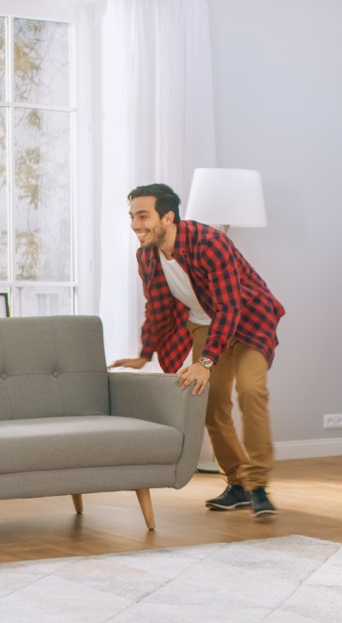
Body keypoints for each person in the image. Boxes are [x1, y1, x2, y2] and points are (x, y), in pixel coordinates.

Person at [110, 183, 285, 518]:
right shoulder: (147, 256)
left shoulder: (210, 243)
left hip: (249, 320)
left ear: (168, 217)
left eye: (143, 216)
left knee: (251, 391)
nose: (135, 225)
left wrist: (205, 361)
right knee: (209, 404)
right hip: (206, 323)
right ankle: (239, 484)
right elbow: (157, 307)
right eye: (132, 217)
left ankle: (259, 485)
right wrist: (145, 354)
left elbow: (229, 307)